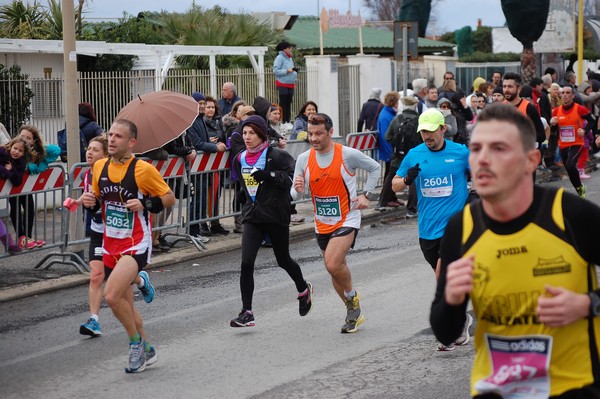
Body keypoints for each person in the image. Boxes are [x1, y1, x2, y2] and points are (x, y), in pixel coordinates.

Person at [431, 103, 600, 398]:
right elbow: (445, 332)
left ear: (530, 160)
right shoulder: (462, 227)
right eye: (477, 149)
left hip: (574, 387)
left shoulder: (570, 215)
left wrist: (588, 305)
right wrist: (451, 299)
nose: (483, 160)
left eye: (499, 149)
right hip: (495, 389)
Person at [82, 119, 175, 373]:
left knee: (111, 296)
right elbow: (98, 203)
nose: (111, 140)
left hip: (136, 243)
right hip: (110, 243)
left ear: (131, 142)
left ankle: (135, 345)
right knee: (127, 304)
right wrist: (88, 200)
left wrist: (145, 205)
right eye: (110, 135)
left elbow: (169, 197)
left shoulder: (142, 170)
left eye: (118, 137)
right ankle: (147, 348)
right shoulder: (99, 167)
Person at [292, 113, 381, 333]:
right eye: (311, 134)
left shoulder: (346, 154)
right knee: (335, 269)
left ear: (330, 133)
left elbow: (375, 168)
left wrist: (366, 194)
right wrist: (297, 189)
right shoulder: (304, 159)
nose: (314, 138)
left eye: (319, 134)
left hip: (347, 217)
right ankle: (353, 313)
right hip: (322, 222)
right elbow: (294, 193)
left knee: (332, 263)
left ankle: (352, 298)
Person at [391, 108, 471, 351]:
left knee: (442, 276)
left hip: (455, 227)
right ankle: (462, 314)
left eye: (431, 130)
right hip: (427, 230)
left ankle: (451, 327)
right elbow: (394, 185)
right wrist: (406, 180)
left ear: (443, 129)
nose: (426, 135)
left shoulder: (460, 153)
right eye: (423, 131)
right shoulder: (415, 155)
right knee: (447, 279)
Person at [229, 115, 313, 327]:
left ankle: (303, 289)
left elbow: (293, 180)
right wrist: (243, 194)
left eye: (251, 133)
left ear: (261, 135)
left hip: (276, 215)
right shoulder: (239, 158)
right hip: (253, 216)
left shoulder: (277, 156)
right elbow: (242, 181)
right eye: (244, 133)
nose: (247, 137)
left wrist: (270, 175)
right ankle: (247, 311)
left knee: (283, 259)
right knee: (246, 263)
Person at [75, 135, 156, 337]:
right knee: (96, 275)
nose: (89, 152)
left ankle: (140, 282)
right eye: (89, 149)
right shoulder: (88, 175)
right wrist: (82, 202)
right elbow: (94, 204)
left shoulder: (134, 171)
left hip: (125, 238)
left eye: (95, 150)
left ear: (105, 155)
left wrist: (141, 204)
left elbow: (164, 197)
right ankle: (94, 320)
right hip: (99, 232)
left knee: (120, 295)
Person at [10, 125, 60, 249]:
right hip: (13, 183)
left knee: (29, 207)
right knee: (15, 207)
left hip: (26, 186)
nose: (25, 140)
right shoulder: (15, 148)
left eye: (28, 138)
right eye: (22, 137)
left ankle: (28, 237)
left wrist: (41, 145)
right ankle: (21, 237)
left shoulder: (36, 153)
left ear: (33, 141)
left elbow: (56, 150)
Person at [188, 92, 228, 237]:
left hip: (203, 168)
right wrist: (215, 147)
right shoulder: (192, 121)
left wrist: (213, 143)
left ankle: (196, 229)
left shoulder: (200, 120)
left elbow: (201, 140)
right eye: (201, 104)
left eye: (204, 104)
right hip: (197, 168)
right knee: (197, 200)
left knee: (203, 200)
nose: (203, 106)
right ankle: (192, 230)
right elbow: (197, 143)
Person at [549, 84, 595, 198]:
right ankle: (579, 188)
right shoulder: (555, 111)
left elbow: (592, 120)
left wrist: (584, 131)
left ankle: (579, 189)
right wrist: (553, 124)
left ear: (573, 95)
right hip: (563, 144)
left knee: (570, 165)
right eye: (562, 93)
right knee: (569, 170)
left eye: (567, 93)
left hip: (577, 143)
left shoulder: (579, 108)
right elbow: (554, 131)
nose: (564, 95)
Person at [383, 96, 421, 214]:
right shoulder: (418, 119)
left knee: (390, 177)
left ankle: (382, 202)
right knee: (413, 180)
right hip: (414, 156)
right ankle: (411, 208)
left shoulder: (397, 119)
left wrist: (397, 144)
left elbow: (387, 137)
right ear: (415, 106)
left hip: (397, 157)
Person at [0, 137, 31, 253]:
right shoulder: (2, 153)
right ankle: (9, 243)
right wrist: (6, 171)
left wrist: (11, 170)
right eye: (15, 148)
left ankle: (9, 243)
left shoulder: (20, 163)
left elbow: (18, 181)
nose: (16, 152)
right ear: (10, 146)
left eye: (20, 151)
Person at [376, 91, 400, 207]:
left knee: (391, 174)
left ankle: (392, 197)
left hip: (389, 150)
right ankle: (386, 199)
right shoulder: (386, 115)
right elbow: (387, 136)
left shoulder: (388, 113)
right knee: (389, 175)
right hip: (389, 151)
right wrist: (391, 152)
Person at [273, 41, 298, 123]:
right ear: (284, 49)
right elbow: (276, 71)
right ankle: (282, 121)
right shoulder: (280, 57)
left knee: (288, 103)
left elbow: (291, 69)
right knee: (283, 103)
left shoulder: (290, 58)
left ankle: (287, 121)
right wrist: (287, 71)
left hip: (290, 84)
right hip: (282, 83)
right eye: (289, 48)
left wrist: (294, 71)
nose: (291, 49)